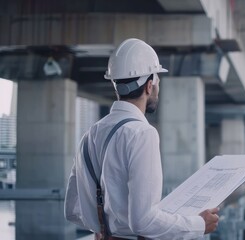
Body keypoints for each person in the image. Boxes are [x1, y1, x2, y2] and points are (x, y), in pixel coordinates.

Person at [65, 38, 219, 240]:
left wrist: (106, 224)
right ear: (149, 86)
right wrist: (199, 224)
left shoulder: (89, 136)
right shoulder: (141, 134)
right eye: (157, 83)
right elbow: (143, 221)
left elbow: (72, 210)